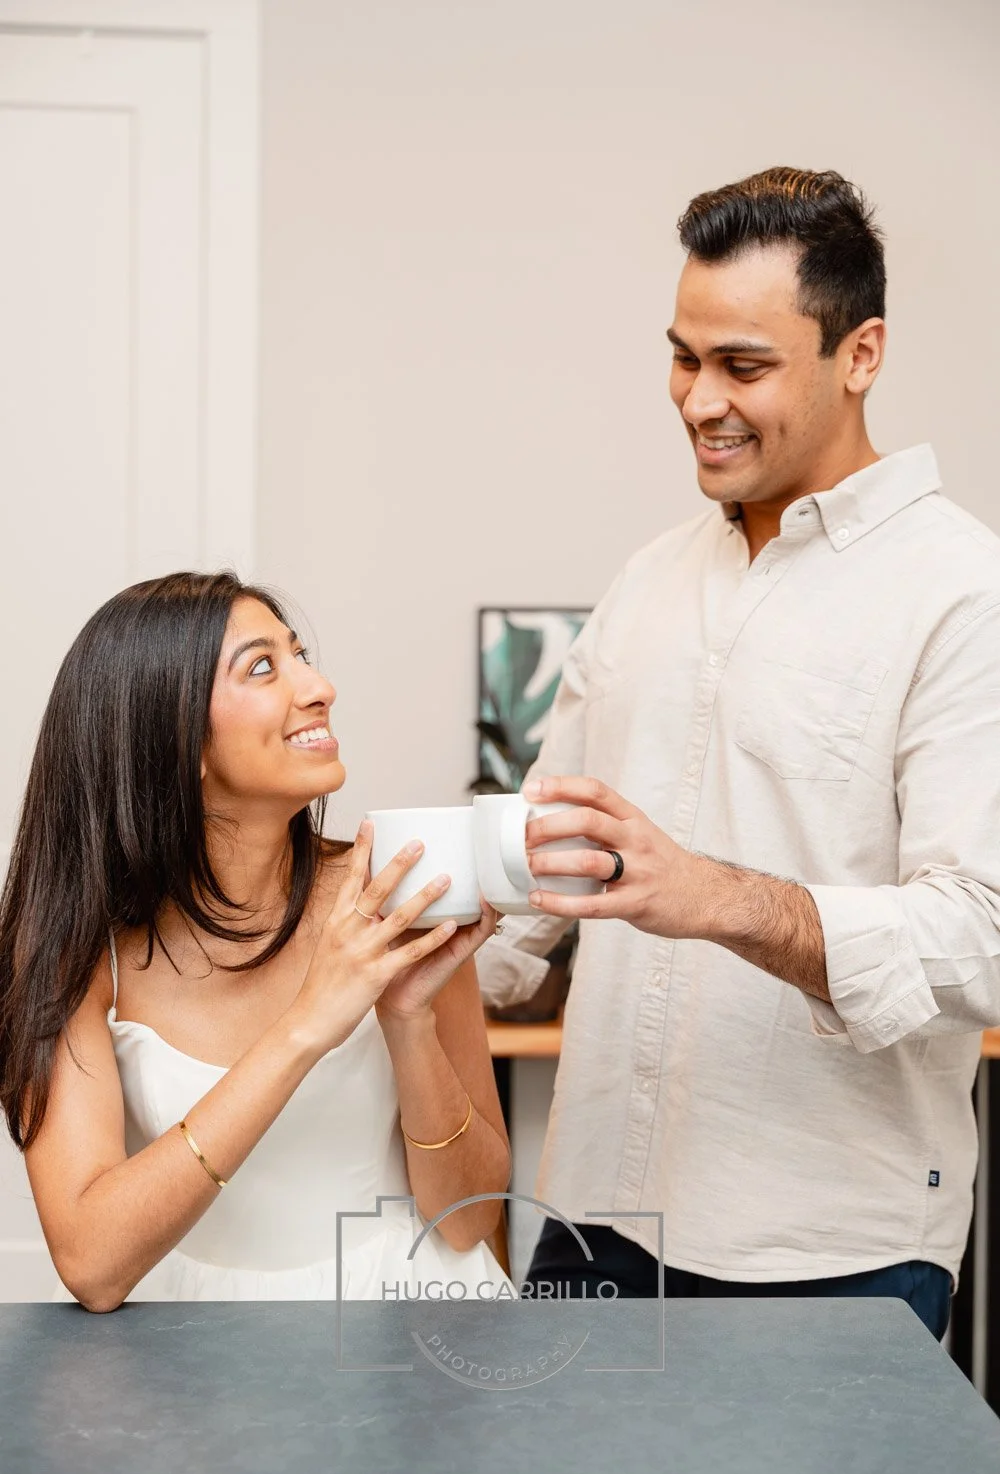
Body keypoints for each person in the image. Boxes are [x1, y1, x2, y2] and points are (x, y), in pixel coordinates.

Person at [476, 166, 1000, 1339]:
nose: (698, 399)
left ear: (857, 355)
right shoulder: (648, 580)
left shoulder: (965, 596)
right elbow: (537, 888)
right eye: (683, 357)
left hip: (827, 1253)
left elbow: (984, 935)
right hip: (590, 1218)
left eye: (743, 367)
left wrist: (713, 896)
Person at [0, 572, 512, 1309]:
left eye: (300, 655)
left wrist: (408, 1024)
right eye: (264, 666)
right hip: (184, 1344)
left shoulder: (399, 895)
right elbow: (94, 1264)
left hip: (406, 1319)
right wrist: (308, 1024)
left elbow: (469, 1225)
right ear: (175, 740)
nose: (320, 686)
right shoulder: (78, 954)